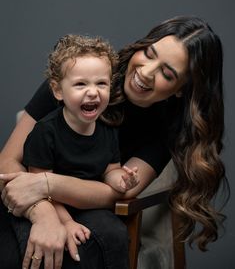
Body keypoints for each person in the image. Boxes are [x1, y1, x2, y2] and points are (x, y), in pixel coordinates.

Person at [0, 16, 229, 268]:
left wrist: (47, 183)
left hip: (90, 211)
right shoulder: (81, 72)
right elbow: (8, 160)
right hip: (31, 200)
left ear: (181, 89)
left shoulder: (167, 128)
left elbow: (117, 193)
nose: (145, 72)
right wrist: (43, 214)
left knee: (101, 240)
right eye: (149, 53)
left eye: (166, 73)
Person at [11, 34, 139, 267]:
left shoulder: (108, 129)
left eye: (101, 83)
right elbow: (38, 187)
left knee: (114, 233)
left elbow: (111, 170)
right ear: (58, 91)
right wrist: (66, 223)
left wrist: (122, 181)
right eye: (81, 84)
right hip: (51, 204)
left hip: (86, 203)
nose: (93, 92)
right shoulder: (44, 132)